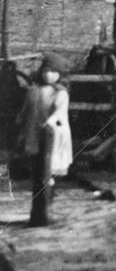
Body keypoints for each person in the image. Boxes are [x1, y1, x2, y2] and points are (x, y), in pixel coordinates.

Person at [16, 52, 73, 225]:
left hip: (53, 134)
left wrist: (49, 123)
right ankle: (38, 205)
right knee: (37, 167)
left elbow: (59, 113)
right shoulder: (34, 91)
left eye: (53, 71)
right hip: (34, 131)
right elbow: (26, 108)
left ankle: (46, 205)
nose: (48, 74)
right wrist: (20, 118)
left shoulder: (60, 93)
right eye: (46, 70)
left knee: (48, 169)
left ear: (59, 74)